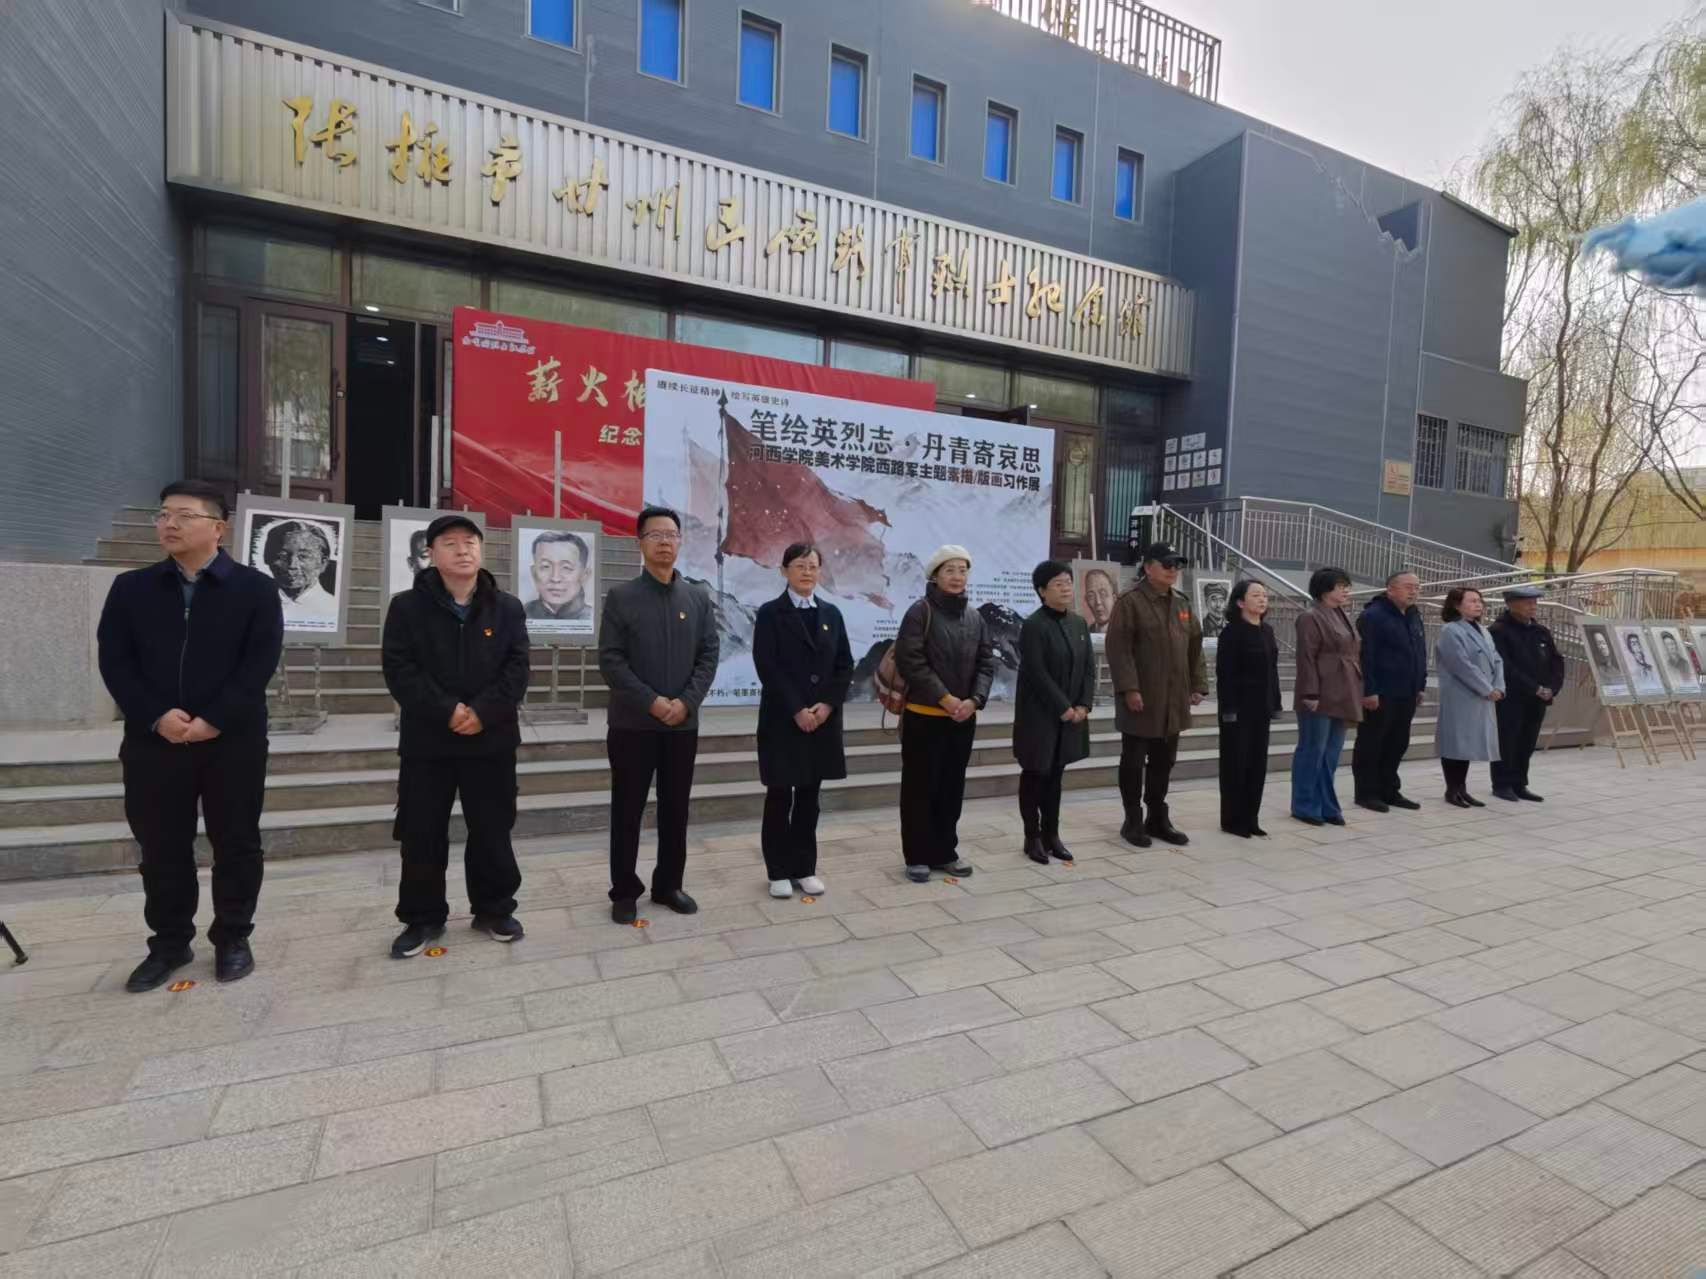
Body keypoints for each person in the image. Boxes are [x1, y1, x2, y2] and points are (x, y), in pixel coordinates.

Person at [97, 480, 284, 991]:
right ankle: (169, 943)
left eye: (183, 515)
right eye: (163, 515)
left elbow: (259, 663)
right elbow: (115, 661)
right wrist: (156, 716)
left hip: (233, 741)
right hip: (154, 742)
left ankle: (233, 938)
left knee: (237, 842)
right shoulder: (131, 588)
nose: (169, 524)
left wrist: (214, 719)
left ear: (218, 528)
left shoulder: (255, 589)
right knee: (161, 847)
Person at [381, 515, 531, 957]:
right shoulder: (406, 607)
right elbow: (399, 669)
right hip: (429, 742)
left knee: (492, 829)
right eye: (450, 543)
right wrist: (447, 710)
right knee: (421, 832)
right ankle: (422, 917)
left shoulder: (507, 608)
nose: (463, 550)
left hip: (491, 740)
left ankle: (494, 908)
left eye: (470, 542)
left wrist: (482, 712)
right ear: (431, 553)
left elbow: (517, 668)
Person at [598, 506, 719, 923]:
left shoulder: (697, 597)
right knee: (627, 810)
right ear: (640, 543)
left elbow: (708, 655)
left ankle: (669, 885)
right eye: (655, 535)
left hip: (682, 725)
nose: (665, 542)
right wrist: (651, 701)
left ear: (680, 542)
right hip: (632, 725)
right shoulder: (621, 597)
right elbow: (611, 661)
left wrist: (685, 702)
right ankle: (624, 890)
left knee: (675, 809)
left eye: (671, 534)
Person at [752, 543, 853, 898]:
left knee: (810, 798)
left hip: (821, 723)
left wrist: (826, 706)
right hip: (783, 720)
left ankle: (804, 867)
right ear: (784, 571)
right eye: (799, 565)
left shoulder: (831, 614)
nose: (807, 572)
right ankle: (778, 871)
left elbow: (844, 665)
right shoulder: (770, 613)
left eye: (813, 566)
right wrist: (797, 709)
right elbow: (768, 666)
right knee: (780, 796)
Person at [894, 545, 996, 882]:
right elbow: (911, 661)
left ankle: (945, 851)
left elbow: (986, 663)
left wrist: (975, 700)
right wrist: (945, 698)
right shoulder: (919, 612)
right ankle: (917, 855)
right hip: (924, 715)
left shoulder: (975, 617)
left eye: (962, 571)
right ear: (935, 576)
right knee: (919, 788)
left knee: (951, 788)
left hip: (962, 719)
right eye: (950, 570)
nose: (957, 577)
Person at [1105, 542, 1208, 847]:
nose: (1173, 570)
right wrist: (1129, 688)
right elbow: (1119, 649)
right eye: (1167, 564)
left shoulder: (1182, 603)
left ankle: (1157, 818)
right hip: (1142, 698)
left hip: (1173, 699)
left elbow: (1195, 646)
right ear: (1148, 567)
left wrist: (1197, 685)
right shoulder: (1130, 602)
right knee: (1134, 761)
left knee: (1164, 762)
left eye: (1177, 565)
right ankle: (1132, 819)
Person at [1013, 560, 1095, 865]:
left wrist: (1083, 704)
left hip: (1071, 715)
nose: (1065, 589)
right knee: (1036, 773)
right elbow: (1036, 672)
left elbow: (1088, 668)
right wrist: (1063, 707)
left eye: (1068, 583)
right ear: (1042, 591)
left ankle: (1052, 835)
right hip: (1039, 716)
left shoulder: (1078, 624)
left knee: (1056, 776)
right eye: (1058, 584)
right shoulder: (1033, 626)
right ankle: (1031, 836)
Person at [1291, 567, 1362, 827]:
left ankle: (1326, 804)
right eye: (1340, 586)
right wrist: (1310, 692)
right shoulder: (1310, 617)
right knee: (1313, 750)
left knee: (1331, 753)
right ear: (1324, 589)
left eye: (1346, 586)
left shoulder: (1341, 614)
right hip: (1320, 692)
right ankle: (1304, 804)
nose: (1346, 591)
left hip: (1343, 691)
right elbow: (1306, 657)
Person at [1351, 571, 1427, 813]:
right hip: (1381, 692)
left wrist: (1420, 685)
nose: (1413, 591)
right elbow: (1366, 656)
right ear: (1390, 589)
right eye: (1408, 586)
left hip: (1407, 691)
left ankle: (1389, 790)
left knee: (1397, 743)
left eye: (1417, 587)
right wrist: (1369, 690)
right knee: (1372, 743)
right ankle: (1366, 793)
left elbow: (1420, 651)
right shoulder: (1373, 616)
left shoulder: (1413, 615)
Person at [1215, 580, 1282, 838]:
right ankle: (1233, 820)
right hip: (1238, 710)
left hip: (1261, 708)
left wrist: (1275, 703)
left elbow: (1273, 671)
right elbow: (1225, 675)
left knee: (1257, 764)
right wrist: (1229, 709)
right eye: (1256, 595)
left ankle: (1251, 818)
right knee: (1236, 764)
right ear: (1241, 602)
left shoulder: (1267, 631)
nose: (1262, 599)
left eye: (1264, 595)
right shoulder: (1231, 633)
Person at [1489, 584, 1566, 802]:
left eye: (1535, 602)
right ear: (1511, 604)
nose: (1533, 606)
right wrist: (1535, 688)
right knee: (1507, 741)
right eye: (1527, 603)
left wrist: (1552, 688)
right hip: (1512, 697)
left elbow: (1556, 661)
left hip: (1538, 699)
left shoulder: (1540, 631)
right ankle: (1502, 784)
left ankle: (1519, 783)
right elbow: (1505, 666)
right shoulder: (1499, 631)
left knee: (1527, 741)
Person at [1435, 587, 1504, 808]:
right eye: (1472, 601)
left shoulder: (1483, 630)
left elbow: (1497, 660)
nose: (1478, 605)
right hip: (1461, 694)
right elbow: (1461, 664)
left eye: (1479, 601)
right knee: (1456, 742)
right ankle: (1452, 789)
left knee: (1467, 744)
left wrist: (1499, 686)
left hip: (1482, 695)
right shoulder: (1451, 630)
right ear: (1457, 605)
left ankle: (1462, 789)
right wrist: (1486, 688)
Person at [262, 519, 336, 624]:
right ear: (267, 558)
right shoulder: (256, 602)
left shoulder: (333, 608)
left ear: (323, 563)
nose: (292, 565)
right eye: (282, 556)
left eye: (303, 556)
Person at [525, 530, 592, 623]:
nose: (555, 578)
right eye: (545, 566)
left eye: (566, 568)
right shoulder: (521, 614)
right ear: (533, 574)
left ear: (584, 575)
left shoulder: (592, 617)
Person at [1080, 567, 1117, 634]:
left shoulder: (1127, 630)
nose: (1098, 602)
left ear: (1114, 598)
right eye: (1091, 596)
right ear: (1086, 600)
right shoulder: (1086, 633)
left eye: (1103, 594)